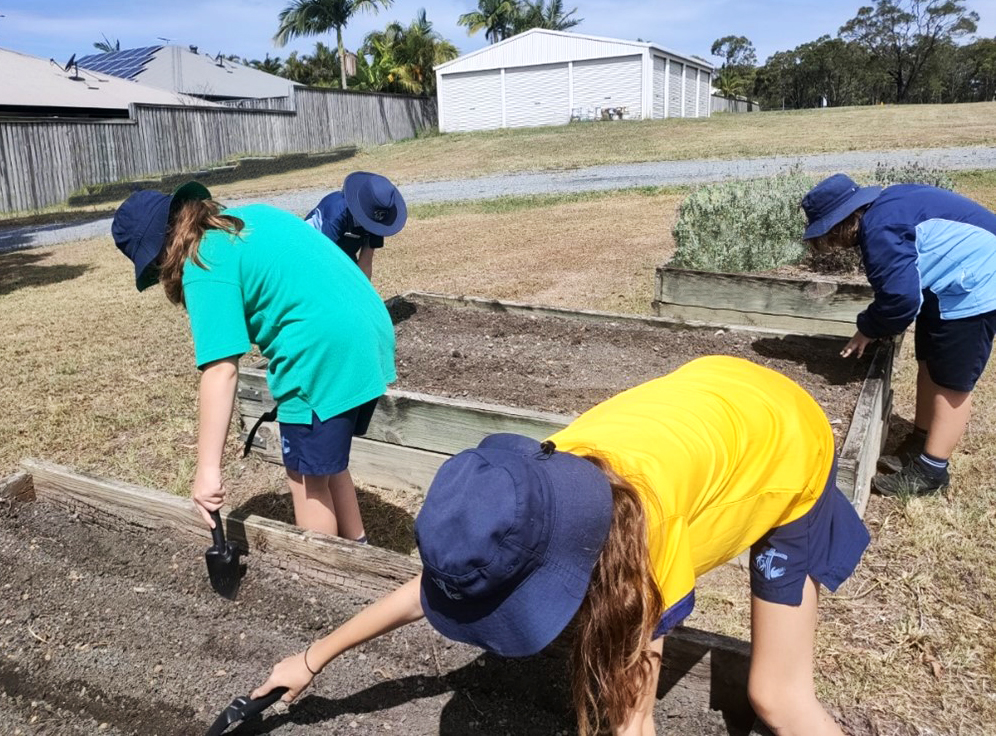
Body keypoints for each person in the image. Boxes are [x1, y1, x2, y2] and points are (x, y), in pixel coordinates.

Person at [251, 356, 869, 736]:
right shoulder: (539, 482)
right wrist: (312, 659)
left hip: (786, 435)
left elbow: (636, 723)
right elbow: (428, 591)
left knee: (777, 699)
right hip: (712, 392)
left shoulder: (644, 554)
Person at [111, 182, 396, 541]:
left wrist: (207, 471)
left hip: (321, 351)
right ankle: (359, 547)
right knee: (324, 463)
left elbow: (221, 371)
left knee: (306, 478)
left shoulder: (203, 259)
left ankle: (327, 579)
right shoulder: (248, 219)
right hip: (368, 329)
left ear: (160, 252)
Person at [802, 173, 996, 497]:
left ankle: (932, 471)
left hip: (978, 284)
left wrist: (868, 328)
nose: (832, 245)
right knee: (931, 361)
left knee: (952, 379)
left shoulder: (878, 229)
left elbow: (900, 299)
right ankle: (920, 441)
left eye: (828, 235)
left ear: (840, 224)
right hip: (951, 282)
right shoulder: (885, 209)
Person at [304, 171, 407, 280]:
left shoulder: (378, 219)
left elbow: (366, 262)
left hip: (344, 251)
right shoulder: (335, 215)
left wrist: (364, 293)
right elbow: (323, 263)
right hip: (311, 250)